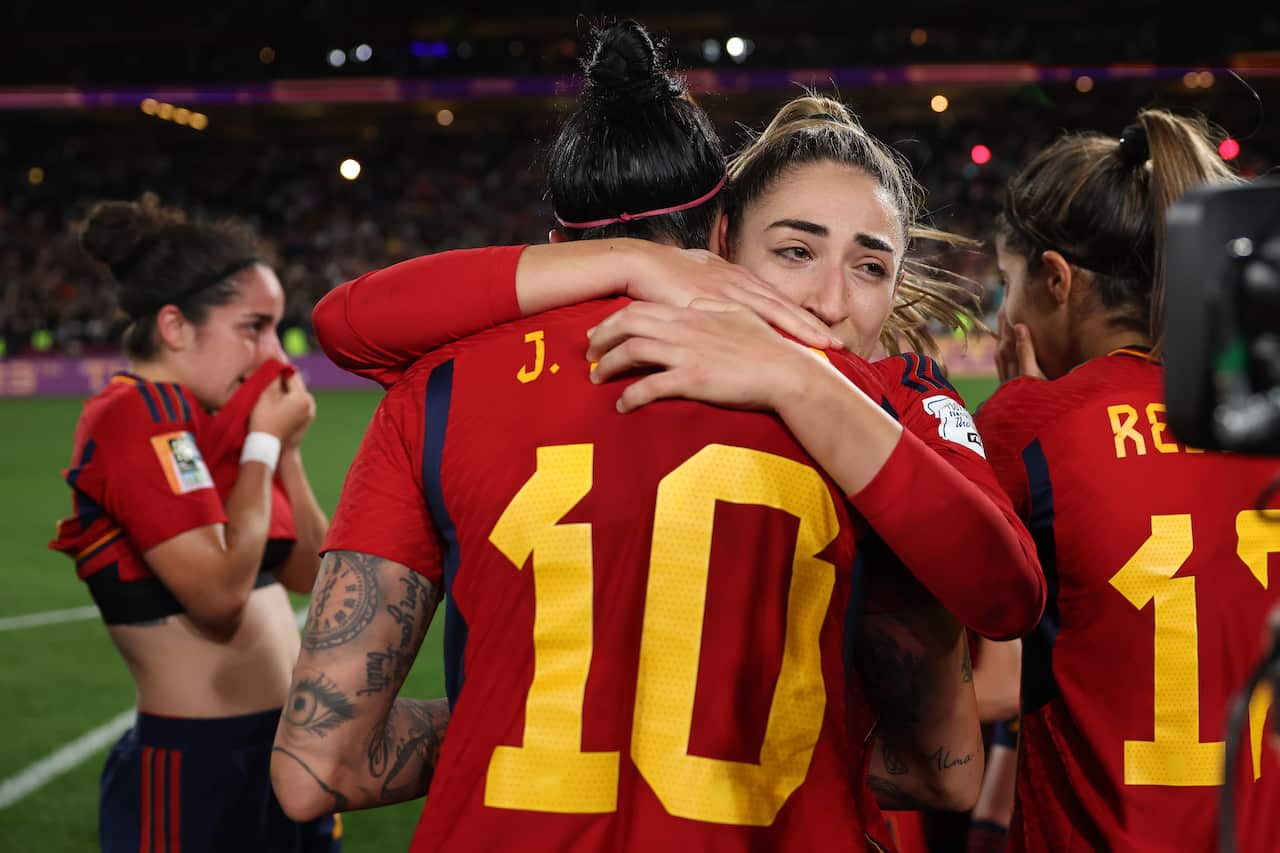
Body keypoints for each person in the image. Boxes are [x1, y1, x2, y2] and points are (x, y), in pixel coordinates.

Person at [272, 21, 1042, 851]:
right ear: (721, 239)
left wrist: (532, 709)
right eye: (794, 251)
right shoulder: (871, 407)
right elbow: (951, 752)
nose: (825, 302)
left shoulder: (439, 389)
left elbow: (316, 766)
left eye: (868, 266)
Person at [975, 109, 1279, 852]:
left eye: (1008, 285)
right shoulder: (1258, 414)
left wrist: (1019, 406)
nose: (1003, 314)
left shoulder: (1032, 422)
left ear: (1056, 279)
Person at [49, 196, 337, 852]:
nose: (276, 355)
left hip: (286, 754)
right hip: (200, 769)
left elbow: (315, 574)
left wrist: (283, 452)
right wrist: (263, 446)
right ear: (176, 327)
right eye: (254, 328)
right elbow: (218, 596)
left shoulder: (212, 422)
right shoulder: (132, 414)